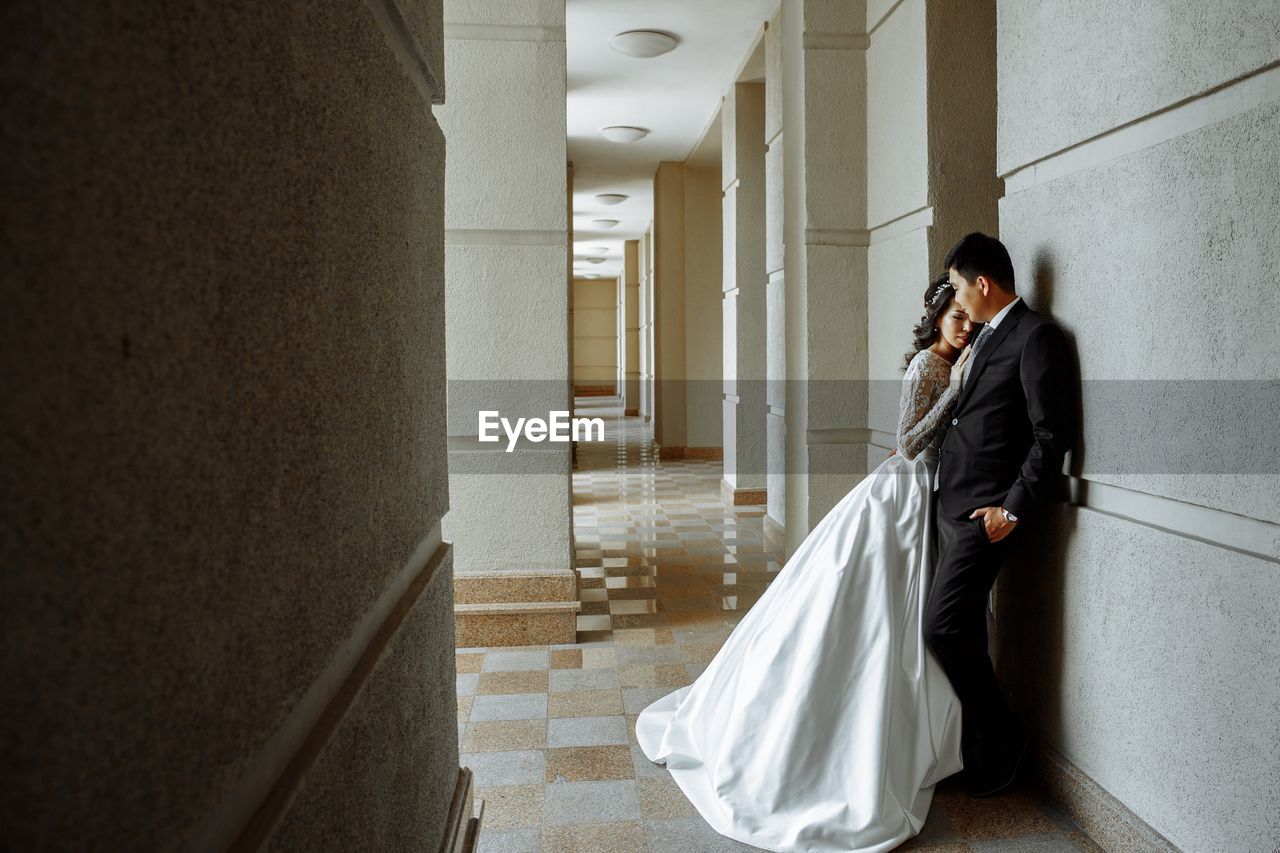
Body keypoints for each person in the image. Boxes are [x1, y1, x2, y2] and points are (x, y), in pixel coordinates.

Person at [635, 275, 974, 853]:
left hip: (929, 494)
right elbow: (909, 442)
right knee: (871, 608)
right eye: (956, 318)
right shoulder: (928, 367)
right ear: (938, 318)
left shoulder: (953, 361)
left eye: (970, 319)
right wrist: (955, 390)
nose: (965, 328)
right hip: (905, 491)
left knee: (896, 613)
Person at [926, 232, 1074, 797]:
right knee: (958, 628)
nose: (957, 301)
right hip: (951, 505)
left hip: (984, 515)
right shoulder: (986, 336)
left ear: (982, 283)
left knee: (942, 627)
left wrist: (1011, 510)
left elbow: (1050, 434)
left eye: (960, 287)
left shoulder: (1037, 337)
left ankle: (1006, 740)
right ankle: (975, 746)